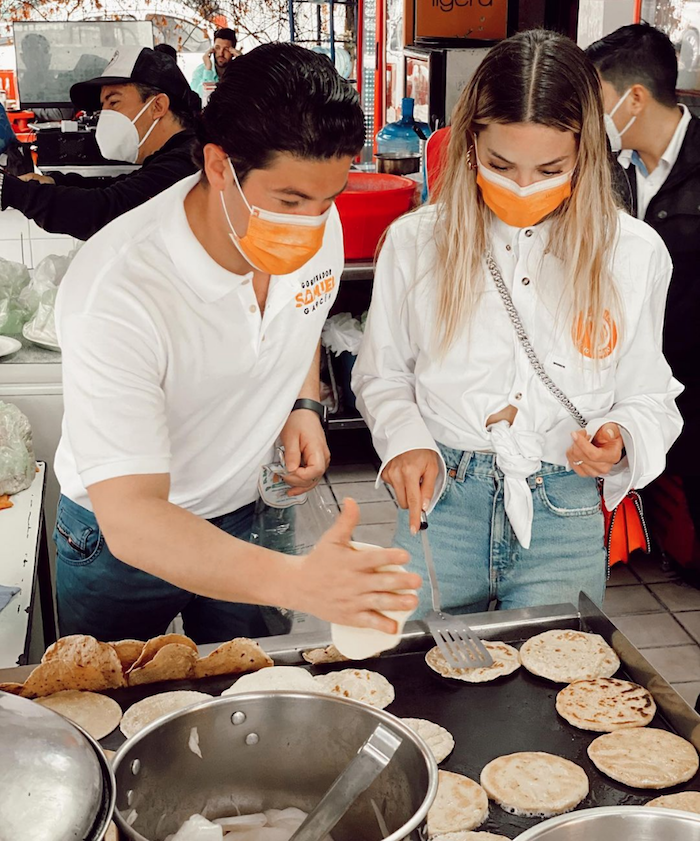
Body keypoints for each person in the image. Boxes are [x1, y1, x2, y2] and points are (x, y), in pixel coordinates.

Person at [53, 42, 419, 644]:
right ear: (220, 166)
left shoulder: (315, 226)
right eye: (291, 201)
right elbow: (135, 518)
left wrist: (302, 406)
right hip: (119, 544)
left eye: (328, 198)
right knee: (116, 708)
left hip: (249, 510)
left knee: (251, 704)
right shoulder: (117, 288)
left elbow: (300, 316)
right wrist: (299, 582)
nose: (313, 222)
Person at [352, 29, 682, 617]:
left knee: (555, 694)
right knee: (420, 684)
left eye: (549, 167)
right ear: (469, 144)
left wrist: (622, 438)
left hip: (564, 510)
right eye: (501, 164)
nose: (523, 186)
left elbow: (648, 393)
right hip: (443, 501)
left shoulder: (633, 252)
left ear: (584, 153)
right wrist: (404, 444)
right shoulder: (416, 242)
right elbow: (383, 376)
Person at [586, 24, 700, 537]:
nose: (590, 112)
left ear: (634, 98)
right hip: (633, 373)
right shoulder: (607, 172)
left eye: (597, 96)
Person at [0, 46, 201, 241]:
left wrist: (14, 191)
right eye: (102, 107)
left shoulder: (189, 163)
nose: (104, 115)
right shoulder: (176, 154)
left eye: (113, 103)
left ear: (158, 106)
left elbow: (105, 211)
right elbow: (119, 186)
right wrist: (56, 182)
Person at [191, 27, 240, 98]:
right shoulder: (200, 71)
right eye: (217, 48)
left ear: (233, 52)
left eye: (226, 49)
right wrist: (208, 71)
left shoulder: (238, 72)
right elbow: (199, 101)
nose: (221, 53)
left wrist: (242, 61)